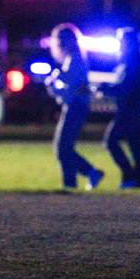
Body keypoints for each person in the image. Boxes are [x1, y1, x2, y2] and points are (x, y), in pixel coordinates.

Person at [47, 23, 104, 191]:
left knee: (63, 147)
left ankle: (72, 182)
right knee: (63, 147)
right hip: (74, 106)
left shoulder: (75, 60)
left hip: (76, 107)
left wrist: (55, 78)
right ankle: (88, 174)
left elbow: (71, 87)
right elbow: (67, 91)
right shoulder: (72, 59)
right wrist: (54, 88)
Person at [102, 26, 140, 188]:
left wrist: (106, 88)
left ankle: (129, 176)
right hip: (134, 111)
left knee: (111, 141)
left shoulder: (131, 65)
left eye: (121, 41)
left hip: (130, 112)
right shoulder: (131, 63)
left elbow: (125, 89)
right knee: (135, 144)